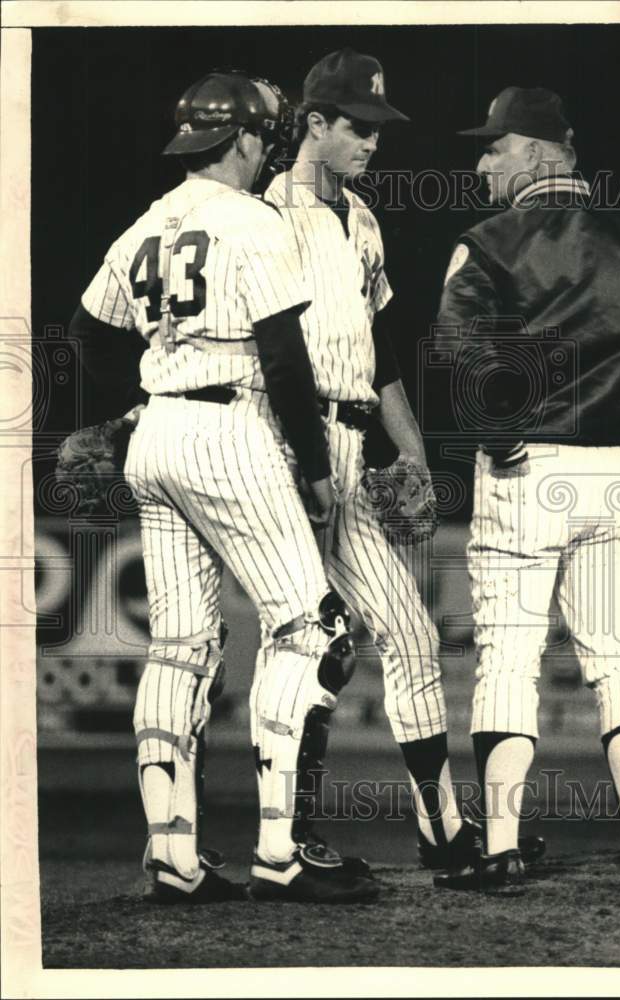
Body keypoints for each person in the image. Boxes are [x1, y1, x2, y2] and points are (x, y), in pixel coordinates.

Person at [71, 70, 379, 904]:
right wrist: (315, 471)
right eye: (263, 134)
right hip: (230, 427)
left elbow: (87, 334)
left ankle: (172, 857)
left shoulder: (146, 223)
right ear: (244, 140)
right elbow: (282, 356)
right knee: (315, 630)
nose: (268, 145)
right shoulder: (252, 219)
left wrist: (140, 402)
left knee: (179, 647)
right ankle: (280, 853)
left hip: (160, 433)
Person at [433, 87, 620, 893]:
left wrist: (500, 443)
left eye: (492, 147)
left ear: (536, 153)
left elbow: (459, 358)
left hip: (528, 469)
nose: (481, 163)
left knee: (506, 657)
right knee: (617, 653)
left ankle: (498, 845)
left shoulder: (488, 242)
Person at [256, 49, 547, 875]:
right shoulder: (259, 217)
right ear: (313, 122)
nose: (373, 142)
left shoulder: (362, 220)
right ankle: (282, 836)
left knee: (413, 638)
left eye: (379, 127)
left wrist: (412, 451)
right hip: (274, 446)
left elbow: (379, 357)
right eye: (358, 125)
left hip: (348, 446)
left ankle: (442, 831)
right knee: (306, 644)